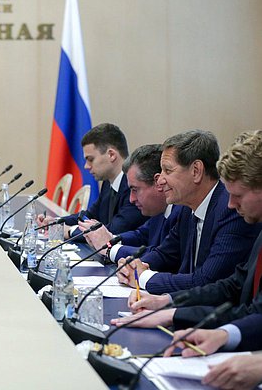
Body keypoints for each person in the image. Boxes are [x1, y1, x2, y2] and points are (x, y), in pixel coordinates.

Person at [111, 130, 262, 332]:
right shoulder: (186, 208)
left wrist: (144, 279)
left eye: (167, 170)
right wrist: (162, 296)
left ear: (196, 171)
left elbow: (208, 281)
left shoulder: (229, 212)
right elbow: (233, 284)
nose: (160, 180)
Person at [40, 123, 148, 237]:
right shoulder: (108, 181)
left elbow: (113, 230)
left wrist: (69, 231)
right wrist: (57, 222)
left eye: (90, 159)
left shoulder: (133, 187)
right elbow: (90, 215)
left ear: (111, 155)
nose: (86, 166)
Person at [81, 144, 183, 261]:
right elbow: (141, 235)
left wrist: (110, 248)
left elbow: (161, 256)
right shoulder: (159, 210)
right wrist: (110, 239)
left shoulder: (181, 213)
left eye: (135, 190)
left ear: (158, 183)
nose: (131, 199)